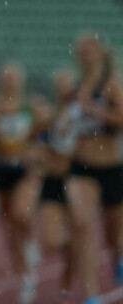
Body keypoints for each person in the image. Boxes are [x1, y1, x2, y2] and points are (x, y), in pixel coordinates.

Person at [65, 33, 123, 304]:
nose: (85, 56)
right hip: (81, 166)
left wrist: (95, 110)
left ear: (99, 53)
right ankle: (91, 294)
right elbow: (64, 122)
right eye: (80, 51)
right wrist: (63, 124)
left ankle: (118, 256)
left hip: (110, 166)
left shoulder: (111, 85)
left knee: (115, 236)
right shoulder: (75, 89)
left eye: (89, 50)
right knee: (82, 224)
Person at [0, 61, 40, 304]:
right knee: (10, 228)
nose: (9, 83)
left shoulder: (30, 105)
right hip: (2, 168)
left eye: (13, 78)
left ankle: (30, 242)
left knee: (21, 214)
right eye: (5, 78)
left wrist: (32, 146)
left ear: (21, 81)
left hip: (24, 169)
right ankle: (25, 277)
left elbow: (41, 135)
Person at [29, 68, 78, 302]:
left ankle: (65, 289)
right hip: (53, 181)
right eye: (59, 86)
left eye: (67, 85)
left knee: (74, 243)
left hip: (78, 181)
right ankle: (73, 244)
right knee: (51, 241)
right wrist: (38, 157)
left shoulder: (82, 115)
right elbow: (32, 142)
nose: (63, 90)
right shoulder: (48, 116)